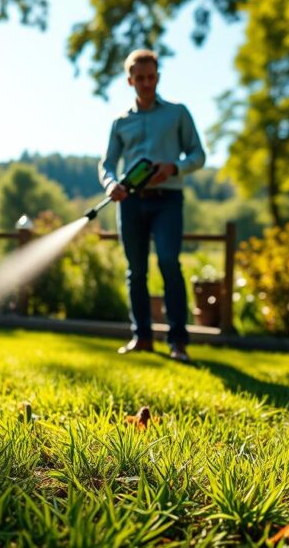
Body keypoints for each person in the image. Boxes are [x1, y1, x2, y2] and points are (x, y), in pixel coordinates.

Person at [99, 49, 206, 362]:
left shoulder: (177, 114)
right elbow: (106, 164)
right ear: (130, 80)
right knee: (136, 271)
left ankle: (178, 342)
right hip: (130, 202)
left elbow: (198, 155)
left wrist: (173, 168)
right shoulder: (120, 122)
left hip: (168, 201)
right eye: (140, 78)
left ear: (157, 77)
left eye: (151, 77)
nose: (146, 83)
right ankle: (142, 336)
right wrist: (110, 184)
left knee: (170, 262)